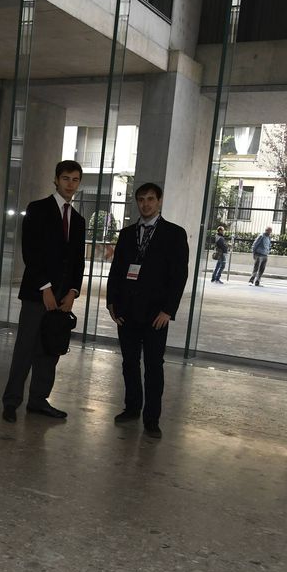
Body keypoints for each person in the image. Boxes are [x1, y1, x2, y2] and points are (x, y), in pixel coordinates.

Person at [0, 160, 86, 422]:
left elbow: (78, 261)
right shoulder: (37, 209)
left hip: (62, 297)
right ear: (56, 180)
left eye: (75, 180)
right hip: (37, 293)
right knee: (25, 349)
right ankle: (11, 402)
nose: (70, 184)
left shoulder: (78, 220)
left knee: (51, 349)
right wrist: (45, 288)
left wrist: (72, 292)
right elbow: (30, 252)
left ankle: (38, 400)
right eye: (66, 178)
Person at [106, 182, 189, 439]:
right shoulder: (127, 234)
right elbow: (117, 271)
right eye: (141, 199)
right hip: (127, 312)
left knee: (154, 366)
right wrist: (112, 303)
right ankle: (132, 408)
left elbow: (179, 276)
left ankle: (152, 419)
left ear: (159, 201)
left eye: (151, 199)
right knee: (129, 363)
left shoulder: (174, 234)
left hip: (156, 315)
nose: (146, 204)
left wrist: (168, 311)